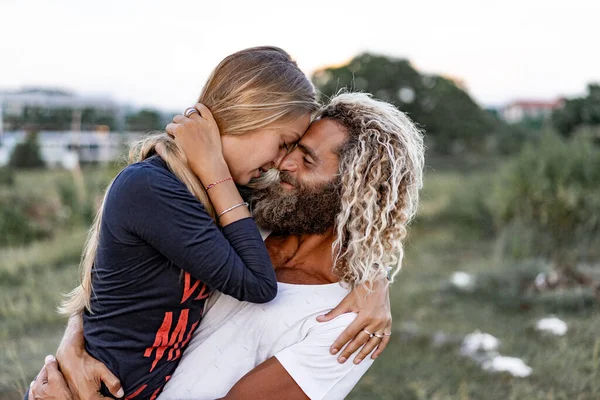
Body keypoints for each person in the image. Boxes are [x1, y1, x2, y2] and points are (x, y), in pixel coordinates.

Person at [26, 48, 393, 400]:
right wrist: (71, 345)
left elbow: (358, 216)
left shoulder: (228, 199)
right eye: (284, 143)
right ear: (249, 115)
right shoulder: (155, 187)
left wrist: (374, 279)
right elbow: (257, 284)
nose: (282, 163)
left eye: (299, 153)